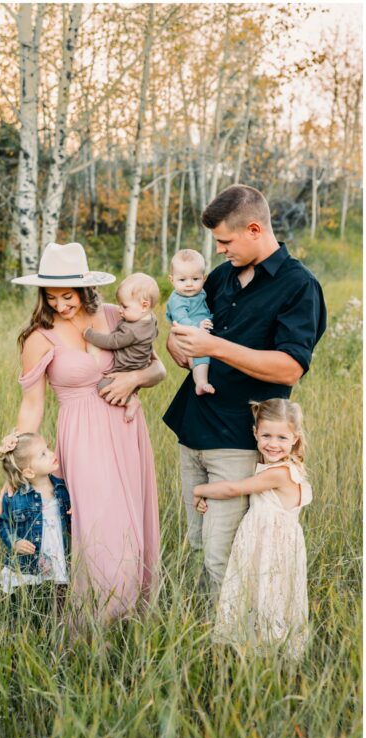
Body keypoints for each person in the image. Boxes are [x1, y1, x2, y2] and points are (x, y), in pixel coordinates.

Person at [163, 185, 326, 598]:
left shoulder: (298, 285)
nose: (218, 250)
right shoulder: (221, 278)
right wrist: (178, 346)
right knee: (197, 546)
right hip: (194, 428)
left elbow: (291, 365)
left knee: (224, 557)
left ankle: (229, 653)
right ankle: (198, 642)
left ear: (254, 229)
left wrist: (214, 347)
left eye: (225, 241)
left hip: (238, 439)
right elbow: (192, 335)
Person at [12, 241, 164, 621]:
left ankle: (133, 622)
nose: (61, 305)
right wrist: (17, 463)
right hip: (83, 438)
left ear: (85, 289)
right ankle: (92, 623)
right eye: (52, 298)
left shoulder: (116, 316)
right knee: (98, 530)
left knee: (131, 526)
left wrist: (134, 381)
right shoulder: (38, 338)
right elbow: (33, 405)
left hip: (128, 432)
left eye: (68, 296)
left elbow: (158, 369)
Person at [194, 399, 310, 660]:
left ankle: (266, 655)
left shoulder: (280, 472)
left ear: (295, 439)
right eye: (266, 435)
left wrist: (199, 490)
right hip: (265, 542)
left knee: (270, 595)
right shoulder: (275, 465)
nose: (273, 443)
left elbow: (234, 489)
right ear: (255, 433)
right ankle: (256, 651)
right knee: (260, 594)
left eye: (282, 437)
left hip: (273, 546)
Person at [0, 431, 71, 608]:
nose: (52, 453)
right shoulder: (15, 497)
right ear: (28, 471)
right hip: (27, 566)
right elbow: (4, 523)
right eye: (43, 454)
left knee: (58, 605)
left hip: (58, 563)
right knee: (26, 606)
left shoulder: (62, 489)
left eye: (48, 449)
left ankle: (55, 632)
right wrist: (14, 542)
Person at [82, 272, 160, 423]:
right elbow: (155, 334)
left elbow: (111, 342)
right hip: (142, 365)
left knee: (103, 385)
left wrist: (90, 334)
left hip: (126, 369)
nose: (120, 310)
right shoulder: (152, 319)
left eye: (124, 306)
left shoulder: (131, 330)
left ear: (144, 305)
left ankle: (130, 401)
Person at [165, 248, 215, 396]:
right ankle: (200, 382)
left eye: (195, 279)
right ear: (171, 279)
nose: (189, 284)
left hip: (202, 325)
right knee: (201, 355)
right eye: (182, 280)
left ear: (204, 279)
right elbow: (181, 319)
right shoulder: (177, 299)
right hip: (188, 331)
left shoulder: (200, 292)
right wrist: (197, 328)